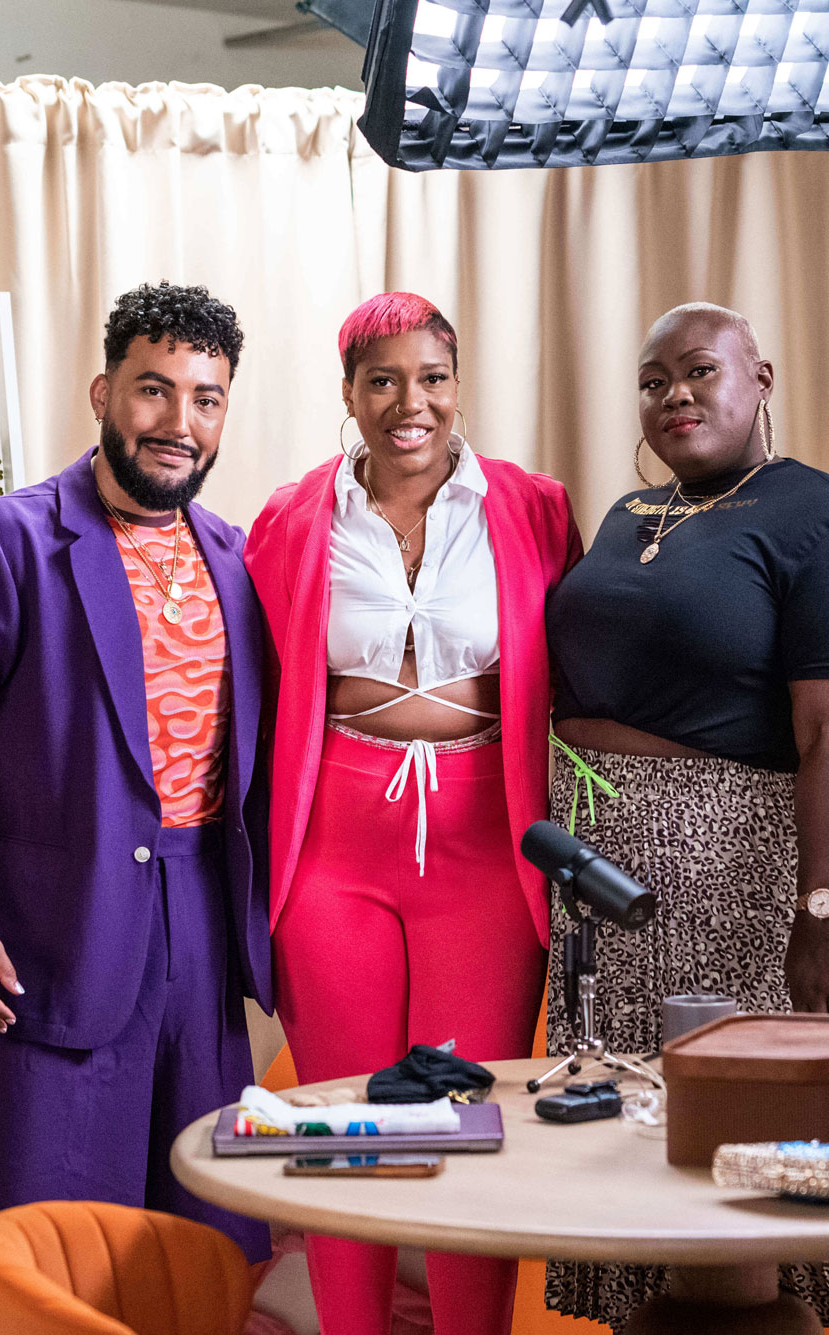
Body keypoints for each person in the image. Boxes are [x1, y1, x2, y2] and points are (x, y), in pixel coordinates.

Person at [0, 283, 272, 1335]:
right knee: (38, 1240)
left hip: (202, 936)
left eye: (206, 399)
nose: (178, 422)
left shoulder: (241, 561)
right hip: (56, 935)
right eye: (155, 391)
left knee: (205, 1235)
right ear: (105, 392)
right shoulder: (2, 541)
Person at [542, 302, 829, 1328]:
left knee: (744, 1188)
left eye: (700, 371)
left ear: (761, 380)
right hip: (607, 887)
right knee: (633, 1178)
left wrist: (821, 912)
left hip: (741, 884)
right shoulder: (625, 517)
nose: (675, 395)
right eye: (654, 380)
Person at [244, 292, 579, 1335]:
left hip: (484, 845)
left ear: (457, 383)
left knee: (468, 1129)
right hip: (334, 845)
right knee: (347, 1130)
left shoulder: (532, 508)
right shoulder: (291, 519)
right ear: (347, 393)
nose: (408, 403)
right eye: (381, 381)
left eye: (430, 378)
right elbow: (248, 684)